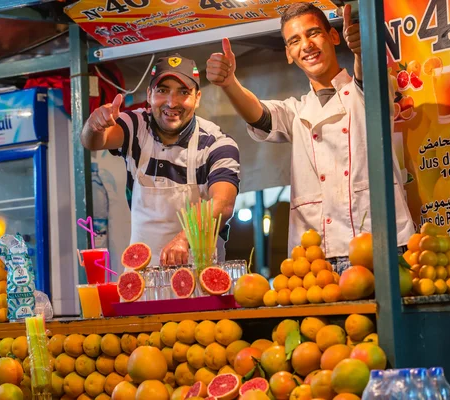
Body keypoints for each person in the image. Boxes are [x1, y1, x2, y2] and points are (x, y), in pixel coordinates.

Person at [206, 3, 414, 273]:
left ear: (334, 36)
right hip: (317, 258)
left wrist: (364, 52)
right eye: (295, 40)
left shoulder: (364, 91)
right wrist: (229, 83)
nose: (306, 45)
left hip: (381, 247)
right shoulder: (296, 110)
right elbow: (259, 115)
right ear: (289, 54)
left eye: (313, 33)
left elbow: (368, 84)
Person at [81, 55, 240, 267]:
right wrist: (94, 125)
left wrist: (184, 239)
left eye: (183, 92)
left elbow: (223, 203)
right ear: (149, 94)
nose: (171, 102)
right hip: (141, 277)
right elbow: (93, 142)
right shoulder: (136, 126)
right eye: (162, 90)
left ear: (198, 97)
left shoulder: (217, 144)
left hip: (199, 275)